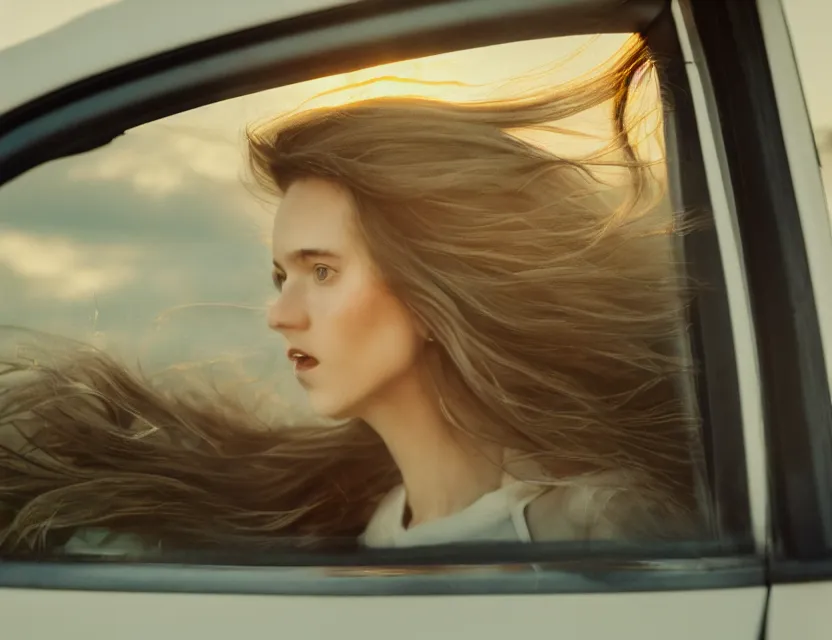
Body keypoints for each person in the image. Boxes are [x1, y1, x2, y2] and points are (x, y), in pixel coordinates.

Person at [0, 36, 710, 557]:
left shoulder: (598, 527)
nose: (280, 313)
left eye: (323, 271)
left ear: (432, 287)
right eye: (281, 276)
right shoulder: (357, 530)